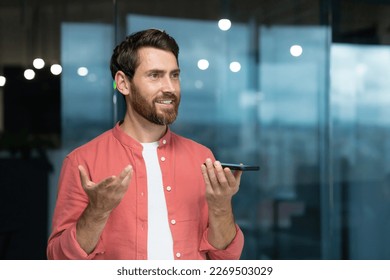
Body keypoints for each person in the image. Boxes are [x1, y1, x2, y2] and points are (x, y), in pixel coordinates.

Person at [47, 29, 244, 260]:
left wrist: (221, 206)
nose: (170, 87)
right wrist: (97, 212)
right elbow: (60, 261)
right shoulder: (83, 161)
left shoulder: (201, 157)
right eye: (155, 75)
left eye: (174, 75)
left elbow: (225, 261)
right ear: (123, 83)